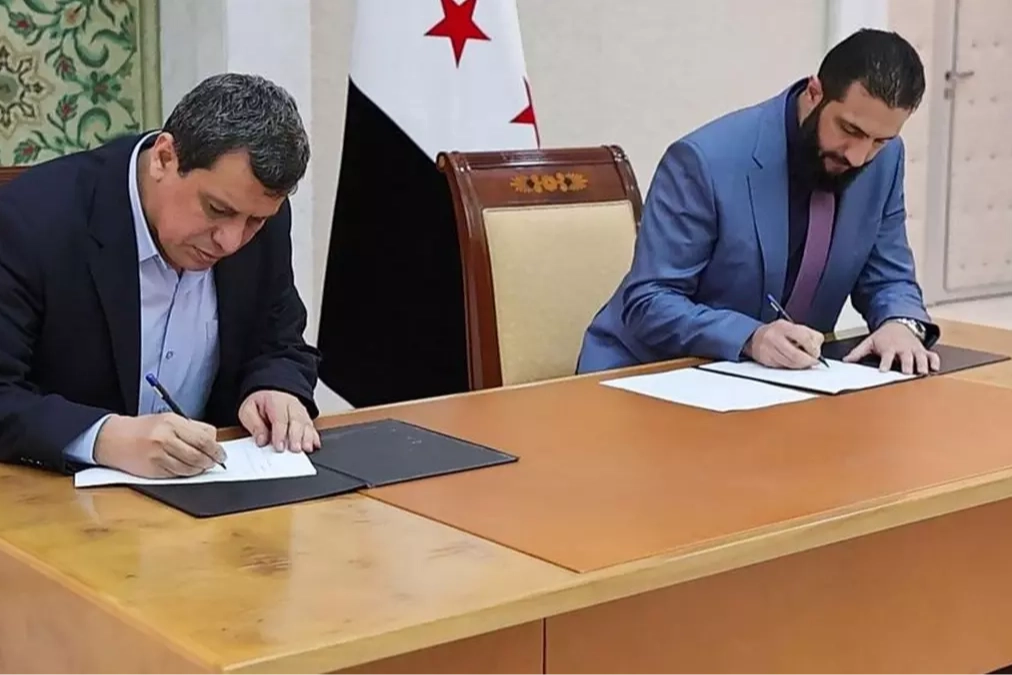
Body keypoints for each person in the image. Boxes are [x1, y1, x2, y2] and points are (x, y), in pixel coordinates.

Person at [0, 73, 322, 479]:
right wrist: (102, 437)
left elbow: (280, 340)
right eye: (217, 210)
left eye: (255, 221)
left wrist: (275, 387)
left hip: (214, 495)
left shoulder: (258, 215)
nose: (231, 241)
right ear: (164, 158)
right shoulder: (28, 222)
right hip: (51, 499)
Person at [578, 29, 941, 377]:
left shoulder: (886, 160)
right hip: (647, 373)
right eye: (850, 130)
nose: (859, 156)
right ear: (814, 93)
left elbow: (888, 275)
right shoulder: (704, 161)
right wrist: (750, 337)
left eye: (879, 140)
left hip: (777, 383)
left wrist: (900, 324)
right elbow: (649, 302)